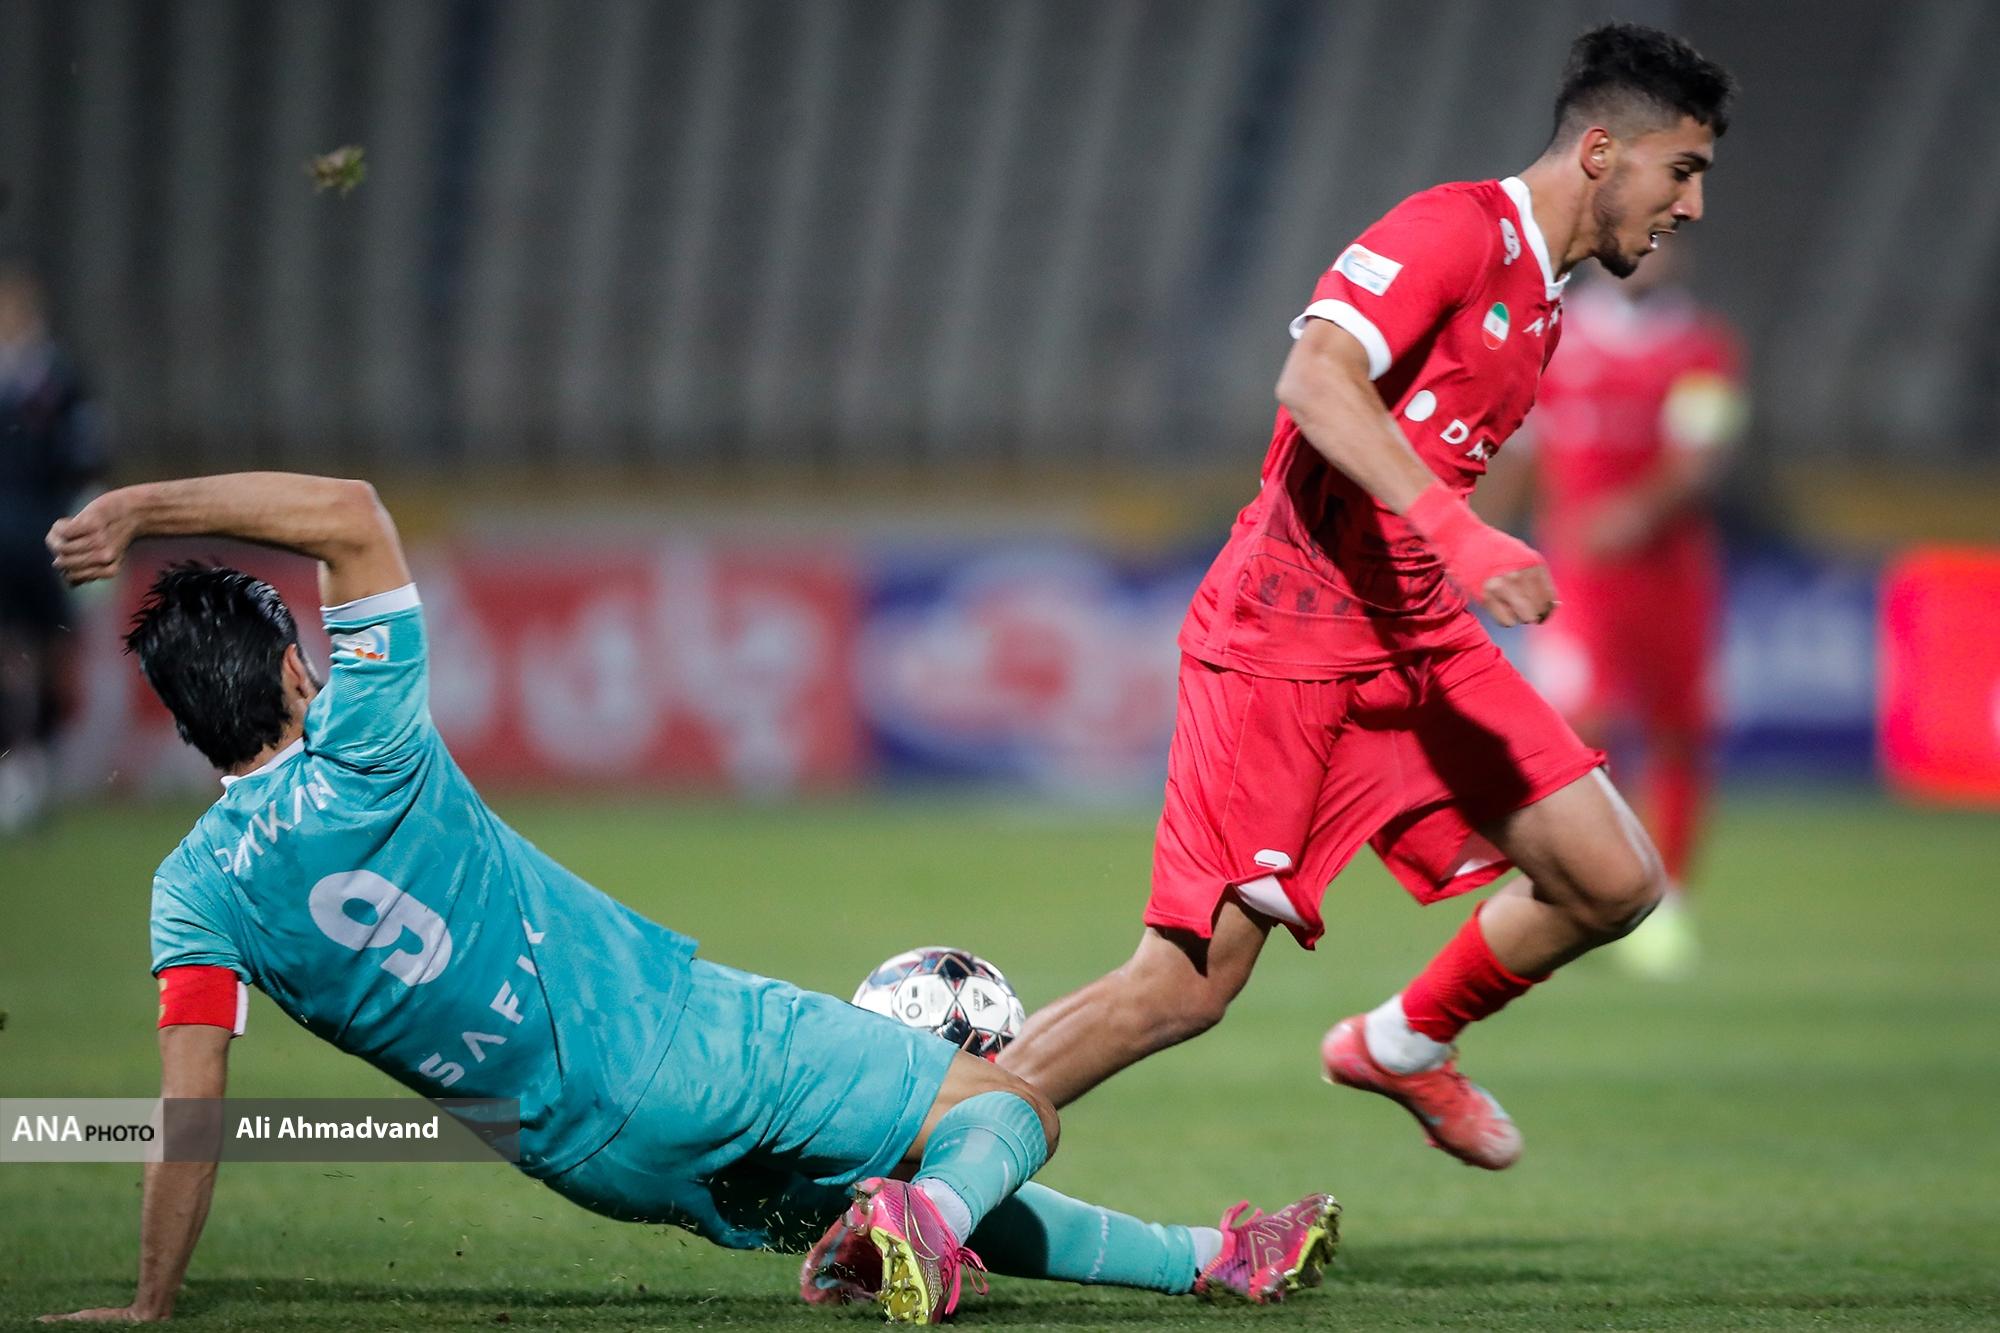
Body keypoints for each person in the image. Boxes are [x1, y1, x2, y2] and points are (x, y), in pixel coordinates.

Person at [38, 472, 1338, 1326]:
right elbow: (350, 511)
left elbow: (190, 1114)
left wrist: (154, 1300)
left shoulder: (192, 896)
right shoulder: (367, 739)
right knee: (1005, 1108)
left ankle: (1204, 1260)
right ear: (292, 668)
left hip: (587, 1157)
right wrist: (145, 507)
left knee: (893, 1182)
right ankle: (932, 1226)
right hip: (681, 1038)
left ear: (185, 722)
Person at [998, 24, 1735, 1171]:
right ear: (1600, 152)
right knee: (1185, 987)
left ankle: (1398, 1043)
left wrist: (1453, 548)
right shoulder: (1452, 228)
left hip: (1415, 634)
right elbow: (1312, 376)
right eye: (1679, 171)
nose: (1689, 206)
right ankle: (914, 1151)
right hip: (1284, 634)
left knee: (1611, 879)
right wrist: (1457, 528)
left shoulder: (1546, 297)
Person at [1505, 245, 1747, 978]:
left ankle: (1668, 899)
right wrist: (1477, 536)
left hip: (1674, 575)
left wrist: (1635, 515)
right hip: (1578, 575)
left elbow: (1701, 458)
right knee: (1583, 726)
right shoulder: (1552, 338)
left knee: (1679, 731)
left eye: (1671, 244)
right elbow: (1518, 450)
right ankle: (1586, 883)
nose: (1654, 256)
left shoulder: (1705, 348)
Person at [0, 259, 106, 832]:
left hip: (45, 540)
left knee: (48, 653)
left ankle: (39, 762)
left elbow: (86, 459)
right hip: (2, 541)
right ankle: (13, 764)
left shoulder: (59, 379)